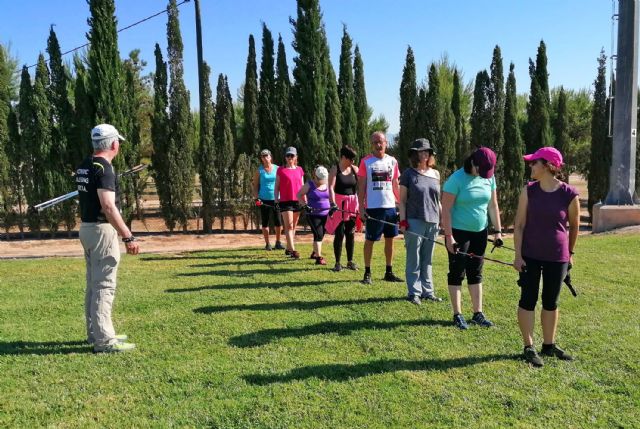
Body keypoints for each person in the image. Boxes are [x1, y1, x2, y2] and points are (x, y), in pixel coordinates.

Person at [513, 147, 579, 367]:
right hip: (530, 255)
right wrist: (518, 255)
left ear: (548, 165)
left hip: (557, 257)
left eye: (534, 163)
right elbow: (520, 225)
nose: (531, 166)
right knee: (528, 299)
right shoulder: (529, 191)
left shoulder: (569, 193)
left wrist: (570, 254)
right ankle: (529, 346)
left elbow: (574, 226)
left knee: (551, 302)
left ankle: (549, 345)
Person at [76, 124, 139, 353]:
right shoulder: (104, 169)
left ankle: (96, 334)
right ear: (114, 144)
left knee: (93, 284)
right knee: (104, 285)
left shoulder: (85, 165)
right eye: (118, 142)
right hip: (102, 230)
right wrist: (128, 236)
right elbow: (108, 207)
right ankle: (104, 341)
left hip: (87, 228)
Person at [441, 147, 502, 329]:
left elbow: (493, 205)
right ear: (473, 163)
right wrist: (449, 236)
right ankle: (457, 314)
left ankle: (478, 313)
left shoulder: (488, 177)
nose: (484, 175)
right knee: (457, 271)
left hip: (480, 232)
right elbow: (446, 209)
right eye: (481, 170)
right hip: (459, 232)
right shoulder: (456, 179)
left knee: (476, 271)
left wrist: (497, 231)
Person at [398, 138, 443, 305]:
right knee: (413, 258)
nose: (424, 154)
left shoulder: (435, 174)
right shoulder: (408, 174)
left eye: (427, 151)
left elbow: (437, 199)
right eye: (421, 151)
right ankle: (414, 292)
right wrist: (402, 222)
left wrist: (442, 219)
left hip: (433, 222)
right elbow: (402, 201)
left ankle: (428, 291)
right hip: (414, 220)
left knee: (427, 258)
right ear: (415, 154)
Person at [357, 131, 403, 285]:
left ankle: (389, 271)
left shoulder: (393, 161)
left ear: (386, 143)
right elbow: (361, 186)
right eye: (375, 142)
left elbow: (395, 184)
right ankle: (367, 272)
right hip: (373, 208)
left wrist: (401, 205)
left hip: (390, 207)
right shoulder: (366, 162)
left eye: (381, 141)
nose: (378, 145)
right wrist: (361, 208)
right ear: (372, 145)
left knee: (390, 240)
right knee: (370, 240)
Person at [326, 145, 359, 272]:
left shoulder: (355, 169)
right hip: (339, 204)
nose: (352, 162)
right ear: (343, 157)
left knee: (350, 233)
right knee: (339, 234)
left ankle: (350, 261)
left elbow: (360, 187)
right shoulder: (335, 169)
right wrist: (333, 203)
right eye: (350, 159)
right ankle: (338, 263)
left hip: (351, 204)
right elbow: (331, 188)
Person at [274, 146, 305, 259]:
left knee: (294, 226)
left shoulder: (300, 170)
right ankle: (293, 250)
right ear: (285, 157)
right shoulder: (281, 170)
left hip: (297, 201)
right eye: (288, 155)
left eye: (292, 155)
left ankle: (288, 247)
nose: (290, 157)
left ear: (296, 157)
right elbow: (276, 186)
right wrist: (276, 198)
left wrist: (304, 199)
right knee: (289, 226)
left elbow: (302, 187)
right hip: (285, 201)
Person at [298, 166, 331, 265]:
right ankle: (319, 258)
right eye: (319, 179)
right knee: (318, 234)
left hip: (326, 214)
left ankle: (314, 252)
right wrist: (305, 206)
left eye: (323, 179)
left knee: (320, 235)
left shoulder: (327, 184)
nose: (321, 181)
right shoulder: (309, 185)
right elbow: (299, 195)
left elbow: (332, 196)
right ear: (315, 176)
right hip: (312, 214)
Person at [252, 149, 284, 251]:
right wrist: (256, 198)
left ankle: (278, 242)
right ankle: (267, 244)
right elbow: (255, 186)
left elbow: (282, 184)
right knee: (265, 222)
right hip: (263, 200)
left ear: (271, 157)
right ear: (261, 159)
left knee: (278, 222)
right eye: (263, 156)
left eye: (267, 156)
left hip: (276, 199)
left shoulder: (278, 169)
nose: (265, 158)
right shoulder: (259, 170)